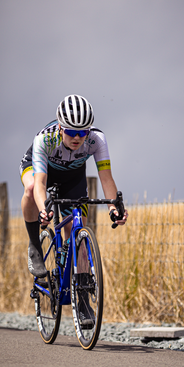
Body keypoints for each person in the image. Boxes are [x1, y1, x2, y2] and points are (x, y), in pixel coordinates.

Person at [20, 93, 128, 325]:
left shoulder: (97, 140)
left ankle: (82, 301)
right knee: (29, 191)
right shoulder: (44, 140)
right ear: (60, 127)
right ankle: (35, 246)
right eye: (71, 132)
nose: (78, 137)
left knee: (77, 231)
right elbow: (40, 184)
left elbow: (106, 178)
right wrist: (43, 209)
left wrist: (114, 207)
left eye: (83, 132)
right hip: (41, 170)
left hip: (73, 177)